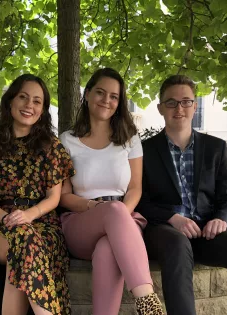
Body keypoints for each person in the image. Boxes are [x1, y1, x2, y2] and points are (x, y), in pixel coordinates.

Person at [137, 74, 227, 315]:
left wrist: (221, 219)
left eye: (186, 101)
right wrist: (173, 218)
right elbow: (140, 200)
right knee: (177, 244)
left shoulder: (215, 148)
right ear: (160, 108)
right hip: (164, 232)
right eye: (171, 102)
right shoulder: (144, 150)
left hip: (206, 231)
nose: (179, 108)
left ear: (194, 106)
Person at [59, 68, 165, 315]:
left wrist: (119, 215)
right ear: (87, 95)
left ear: (119, 103)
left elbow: (135, 188)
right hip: (80, 220)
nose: (107, 100)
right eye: (100, 92)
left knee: (108, 248)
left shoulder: (129, 138)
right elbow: (63, 196)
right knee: (113, 212)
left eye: (114, 96)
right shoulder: (66, 140)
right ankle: (147, 300)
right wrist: (99, 209)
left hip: (123, 217)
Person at [0, 74, 74, 315]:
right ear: (10, 101)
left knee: (21, 252)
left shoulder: (51, 146)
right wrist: (7, 218)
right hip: (2, 224)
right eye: (23, 97)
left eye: (37, 101)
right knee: (20, 238)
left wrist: (29, 214)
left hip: (43, 225)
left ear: (43, 109)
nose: (29, 105)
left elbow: (54, 198)